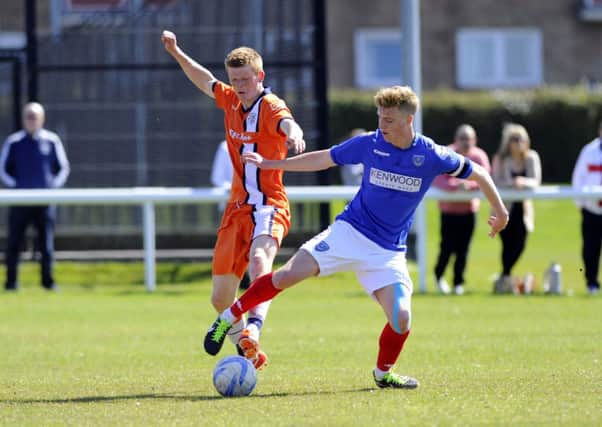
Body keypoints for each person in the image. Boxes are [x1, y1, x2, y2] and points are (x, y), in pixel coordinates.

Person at [203, 86, 509, 389]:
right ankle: (228, 317)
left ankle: (383, 374)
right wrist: (272, 164)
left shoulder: (430, 154)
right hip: (348, 233)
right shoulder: (370, 143)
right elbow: (324, 158)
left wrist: (500, 211)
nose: (382, 125)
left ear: (409, 119)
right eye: (379, 117)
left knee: (402, 318)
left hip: (387, 252)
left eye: (389, 120)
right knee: (287, 275)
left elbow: (479, 174)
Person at [161, 30, 306, 369]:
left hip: (269, 204)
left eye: (245, 78)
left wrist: (294, 132)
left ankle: (253, 329)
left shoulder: (269, 106)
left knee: (260, 263)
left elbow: (286, 120)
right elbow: (205, 80)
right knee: (220, 297)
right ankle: (246, 344)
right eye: (235, 79)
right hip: (237, 209)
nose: (240, 84)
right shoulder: (230, 100)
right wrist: (176, 52)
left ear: (260, 76)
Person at [0, 102, 70, 291]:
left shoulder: (52, 141)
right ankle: (11, 283)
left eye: (34, 116)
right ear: (23, 119)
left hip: (44, 201)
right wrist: (17, 186)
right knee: (14, 243)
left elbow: (63, 168)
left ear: (42, 119)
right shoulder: (14, 142)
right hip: (20, 201)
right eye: (28, 116)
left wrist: (51, 187)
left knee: (46, 245)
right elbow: (3, 169)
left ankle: (48, 282)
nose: (31, 120)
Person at [432, 124, 491, 295]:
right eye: (462, 138)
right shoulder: (446, 154)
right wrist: (456, 186)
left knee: (463, 249)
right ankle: (439, 275)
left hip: (468, 211)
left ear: (475, 140)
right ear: (456, 139)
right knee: (446, 247)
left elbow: (485, 177)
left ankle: (458, 282)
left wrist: (469, 186)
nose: (465, 142)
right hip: (448, 211)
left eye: (469, 138)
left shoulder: (479, 156)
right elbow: (437, 179)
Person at [491, 123, 541, 294]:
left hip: (523, 209)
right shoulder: (501, 159)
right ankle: (505, 279)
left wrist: (522, 182)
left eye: (520, 139)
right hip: (505, 209)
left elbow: (535, 181)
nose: (518, 142)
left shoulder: (531, 157)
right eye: (514, 139)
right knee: (507, 244)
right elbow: (495, 182)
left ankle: (504, 277)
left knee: (520, 244)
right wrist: (513, 184)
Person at [211, 139, 251, 290]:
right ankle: (239, 280)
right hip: (232, 209)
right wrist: (237, 189)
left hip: (255, 209)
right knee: (232, 253)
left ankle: (251, 282)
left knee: (255, 252)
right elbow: (217, 178)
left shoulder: (262, 143)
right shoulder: (225, 146)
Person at [571, 119, 602, 295]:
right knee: (590, 248)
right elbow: (578, 178)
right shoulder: (589, 151)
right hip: (591, 209)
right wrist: (581, 204)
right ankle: (592, 283)